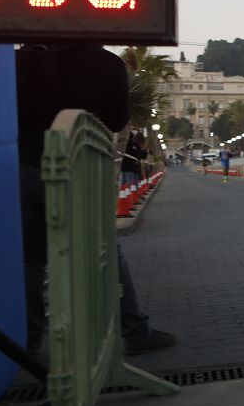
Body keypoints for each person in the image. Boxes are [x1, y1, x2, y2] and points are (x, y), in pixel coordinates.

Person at [16, 42, 176, 356]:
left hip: (26, 166)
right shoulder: (105, 64)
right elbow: (117, 121)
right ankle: (134, 331)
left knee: (31, 260)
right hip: (79, 168)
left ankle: (29, 341)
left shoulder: (18, 62)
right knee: (103, 248)